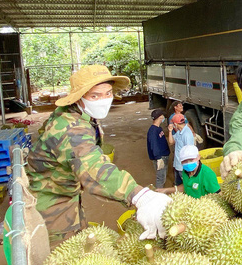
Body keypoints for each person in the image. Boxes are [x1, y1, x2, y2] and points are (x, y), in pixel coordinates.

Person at [27, 64, 170, 245]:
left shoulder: (80, 115)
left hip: (67, 193)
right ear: (79, 98)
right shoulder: (70, 128)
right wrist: (138, 195)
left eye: (108, 93)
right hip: (51, 202)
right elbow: (93, 167)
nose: (103, 100)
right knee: (63, 258)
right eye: (95, 95)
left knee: (81, 240)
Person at [167, 113, 195, 186]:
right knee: (177, 184)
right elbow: (171, 142)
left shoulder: (187, 134)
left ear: (175, 124)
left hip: (183, 167)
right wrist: (170, 131)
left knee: (186, 185)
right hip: (177, 164)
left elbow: (189, 152)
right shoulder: (179, 131)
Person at [147, 108, 171, 188]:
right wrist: (158, 158)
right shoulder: (153, 131)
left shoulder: (158, 128)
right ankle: (159, 194)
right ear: (160, 117)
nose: (164, 118)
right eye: (163, 116)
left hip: (164, 155)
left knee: (163, 176)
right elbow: (154, 145)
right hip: (160, 157)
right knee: (160, 178)